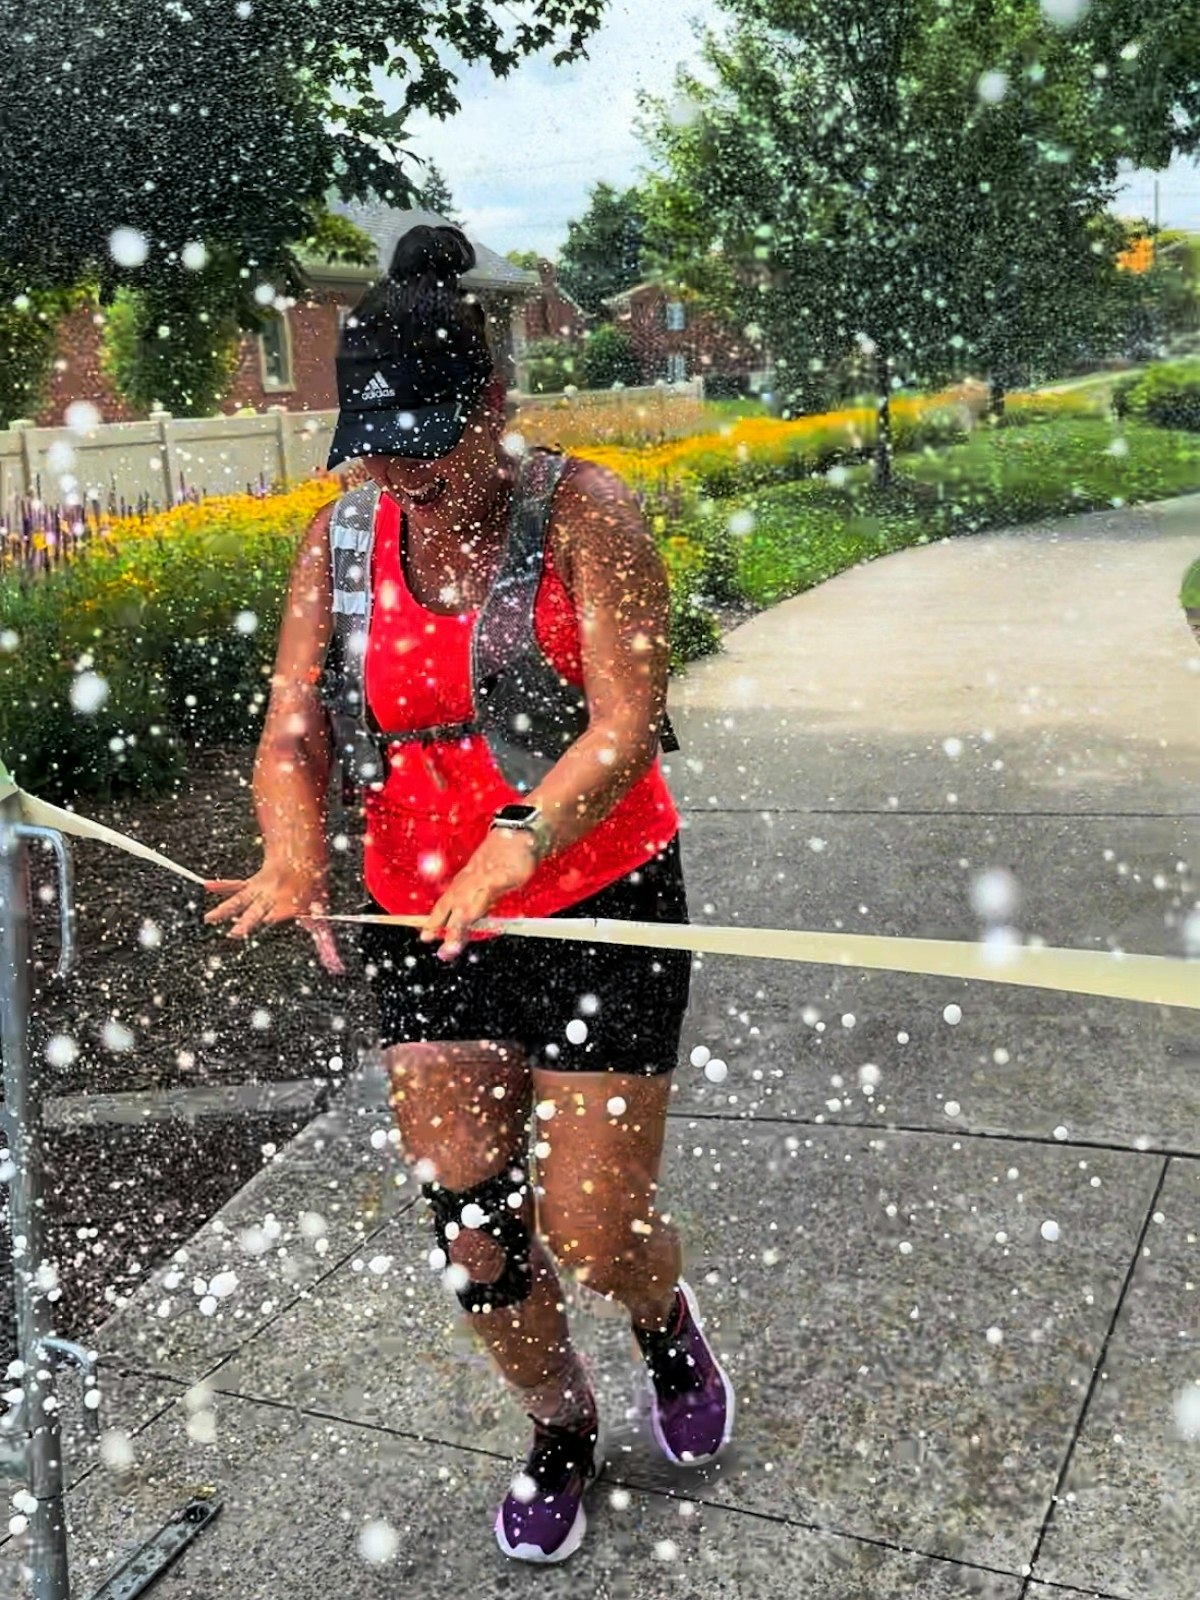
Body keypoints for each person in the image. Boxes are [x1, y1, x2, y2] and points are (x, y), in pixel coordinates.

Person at [203, 222, 734, 1565]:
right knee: (477, 1225)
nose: (402, 475)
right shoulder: (339, 540)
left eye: (427, 443)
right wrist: (289, 851)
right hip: (423, 922)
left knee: (593, 1226)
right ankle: (558, 1422)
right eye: (374, 447)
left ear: (494, 405)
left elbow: (624, 723)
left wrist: (518, 832)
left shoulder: (586, 515)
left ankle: (660, 1322)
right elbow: (293, 734)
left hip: (597, 898)